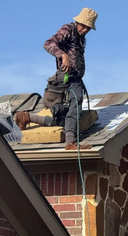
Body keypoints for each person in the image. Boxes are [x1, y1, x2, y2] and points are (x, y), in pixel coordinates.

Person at [15, 7, 98, 150]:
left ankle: (26, 118)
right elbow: (48, 44)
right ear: (78, 22)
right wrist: (63, 55)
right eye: (84, 25)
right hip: (68, 77)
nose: (85, 29)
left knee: (63, 119)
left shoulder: (80, 38)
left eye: (88, 27)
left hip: (73, 78)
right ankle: (70, 143)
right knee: (75, 106)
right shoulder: (69, 29)